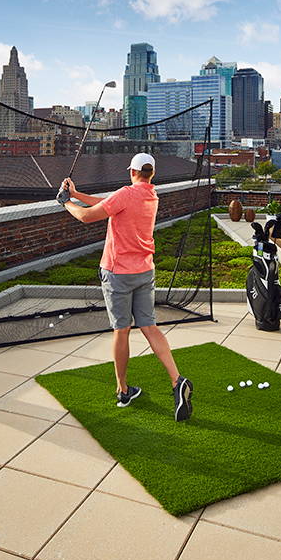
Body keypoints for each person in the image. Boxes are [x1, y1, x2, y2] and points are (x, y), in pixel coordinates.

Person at [59, 153, 193, 421]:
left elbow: (86, 217)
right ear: (150, 173)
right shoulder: (150, 196)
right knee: (149, 327)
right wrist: (76, 194)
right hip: (144, 271)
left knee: (121, 331)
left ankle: (123, 391)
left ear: (131, 172)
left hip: (118, 273)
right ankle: (177, 381)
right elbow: (108, 204)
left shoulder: (126, 193)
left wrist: (66, 203)